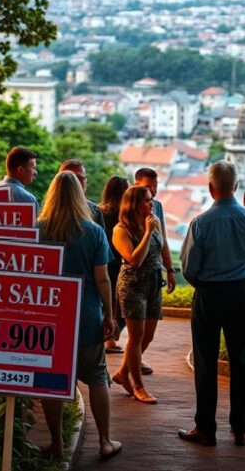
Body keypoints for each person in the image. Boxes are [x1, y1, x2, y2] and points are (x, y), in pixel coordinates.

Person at [178, 161, 245, 448]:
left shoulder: (200, 223)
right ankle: (240, 429)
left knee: (206, 363)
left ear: (211, 188)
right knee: (242, 361)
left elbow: (188, 268)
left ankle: (206, 429)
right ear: (235, 187)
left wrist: (206, 286)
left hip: (209, 295)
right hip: (242, 294)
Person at [37, 172, 122, 461]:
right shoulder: (93, 231)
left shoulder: (38, 229)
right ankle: (104, 441)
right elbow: (103, 279)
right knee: (97, 375)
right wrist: (110, 315)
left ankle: (58, 443)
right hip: (86, 312)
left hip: (50, 313)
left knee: (52, 379)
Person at [111, 185, 176, 404]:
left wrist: (170, 270)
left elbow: (163, 246)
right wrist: (148, 233)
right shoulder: (121, 230)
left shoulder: (153, 222)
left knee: (147, 336)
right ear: (135, 204)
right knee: (136, 337)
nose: (151, 203)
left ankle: (121, 373)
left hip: (154, 283)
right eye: (147, 200)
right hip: (133, 285)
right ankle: (137, 385)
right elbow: (134, 260)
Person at [132, 168, 177, 375]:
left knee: (148, 330)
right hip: (133, 278)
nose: (153, 192)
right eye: (148, 187)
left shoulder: (157, 207)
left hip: (154, 274)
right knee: (135, 330)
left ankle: (129, 366)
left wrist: (169, 268)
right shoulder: (128, 206)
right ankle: (129, 370)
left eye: (155, 187)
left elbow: (164, 241)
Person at [99, 176, 130, 354]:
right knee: (120, 303)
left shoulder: (99, 211)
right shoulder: (123, 214)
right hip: (120, 261)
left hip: (104, 260)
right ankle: (109, 337)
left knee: (108, 301)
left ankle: (109, 338)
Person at [60, 159, 105, 229]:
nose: (74, 182)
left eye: (78, 178)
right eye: (67, 178)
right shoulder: (46, 210)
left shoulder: (94, 211)